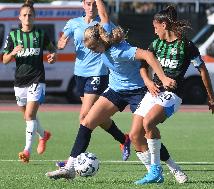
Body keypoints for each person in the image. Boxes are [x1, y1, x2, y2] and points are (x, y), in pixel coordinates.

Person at [45, 0, 177, 180]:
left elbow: (148, 55)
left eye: (93, 48)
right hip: (115, 90)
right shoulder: (103, 29)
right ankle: (69, 167)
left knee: (144, 132)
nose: (92, 51)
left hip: (137, 91)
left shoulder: (118, 51)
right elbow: (104, 14)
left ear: (100, 42)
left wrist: (160, 78)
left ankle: (173, 167)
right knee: (87, 122)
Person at [132, 6, 214, 184]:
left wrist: (211, 96)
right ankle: (170, 169)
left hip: (172, 95)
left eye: (155, 27)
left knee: (148, 123)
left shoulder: (186, 46)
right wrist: (148, 82)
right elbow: (142, 66)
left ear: (164, 25)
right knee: (134, 135)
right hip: (153, 92)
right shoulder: (155, 44)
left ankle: (155, 171)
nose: (154, 31)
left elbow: (202, 70)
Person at [56, 0, 130, 163]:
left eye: (94, 4)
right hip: (79, 73)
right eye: (88, 4)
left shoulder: (103, 25)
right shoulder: (73, 23)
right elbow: (62, 40)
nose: (91, 8)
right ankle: (124, 139)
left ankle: (73, 161)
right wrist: (59, 47)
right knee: (96, 116)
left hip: (98, 73)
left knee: (84, 117)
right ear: (83, 4)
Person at [2, 0, 56, 163]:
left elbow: (52, 49)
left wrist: (52, 57)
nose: (27, 17)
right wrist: (13, 53)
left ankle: (26, 151)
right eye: (24, 15)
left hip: (37, 79)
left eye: (30, 15)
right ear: (19, 17)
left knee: (30, 115)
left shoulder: (40, 34)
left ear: (34, 17)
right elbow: (5, 60)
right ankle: (44, 135)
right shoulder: (13, 35)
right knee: (27, 117)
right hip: (19, 81)